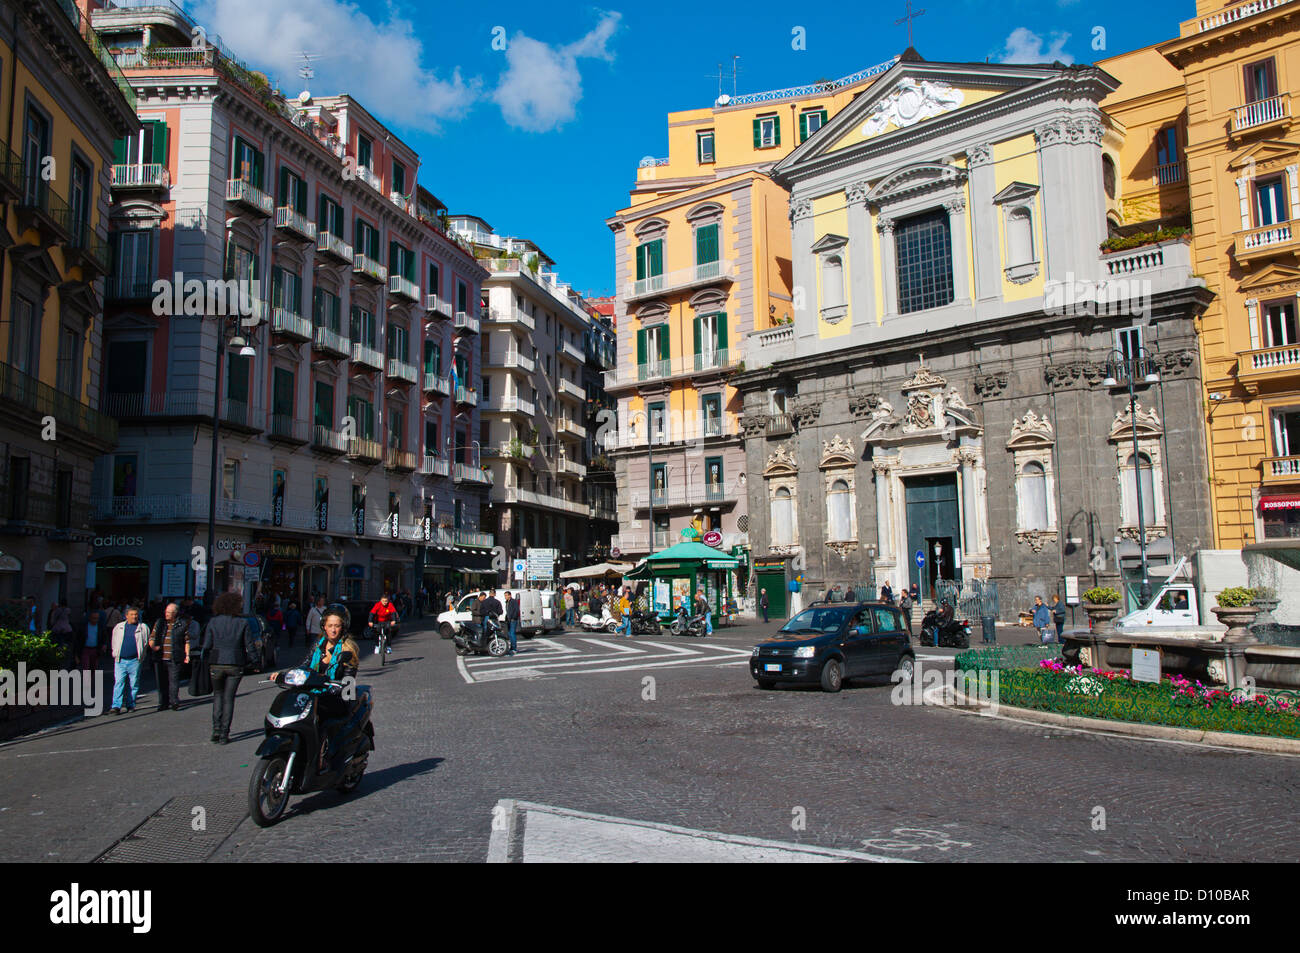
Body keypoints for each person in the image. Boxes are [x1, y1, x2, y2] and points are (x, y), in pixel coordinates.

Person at [273, 607, 359, 772]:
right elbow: (303, 666)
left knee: (317, 718)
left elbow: (349, 681)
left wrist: (335, 686)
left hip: (338, 697)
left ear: (343, 627)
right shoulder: (318, 645)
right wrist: (284, 675)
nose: (333, 629)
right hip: (315, 692)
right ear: (324, 627)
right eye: (330, 625)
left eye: (337, 626)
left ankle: (321, 756)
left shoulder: (348, 649)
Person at [201, 592, 261, 744]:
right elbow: (249, 645)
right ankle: (224, 733)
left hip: (216, 661)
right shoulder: (242, 623)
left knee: (218, 696)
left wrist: (204, 657)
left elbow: (206, 644)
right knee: (229, 698)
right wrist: (255, 662)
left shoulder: (213, 622)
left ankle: (216, 729)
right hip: (235, 662)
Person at [149, 602, 198, 712]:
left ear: (175, 613)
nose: (166, 614)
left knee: (174, 681)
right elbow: (152, 637)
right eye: (166, 612)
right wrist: (153, 646)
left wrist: (187, 655)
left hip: (174, 657)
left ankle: (174, 701)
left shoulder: (182, 624)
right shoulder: (160, 623)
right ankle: (163, 702)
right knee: (161, 682)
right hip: (160, 657)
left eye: (169, 612)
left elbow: (186, 641)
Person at [109, 607, 147, 715]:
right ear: (126, 616)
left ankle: (130, 704)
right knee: (119, 682)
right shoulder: (119, 627)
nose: (134, 616)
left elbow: (145, 643)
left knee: (133, 683)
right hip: (120, 660)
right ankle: (116, 706)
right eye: (132, 614)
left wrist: (141, 657)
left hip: (135, 660)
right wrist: (115, 653)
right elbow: (114, 641)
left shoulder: (143, 628)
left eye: (136, 614)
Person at [503, 591, 520, 655]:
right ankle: (511, 647)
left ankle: (514, 648)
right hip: (509, 620)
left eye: (506, 595)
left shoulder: (513, 601)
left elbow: (516, 610)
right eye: (505, 595)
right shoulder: (507, 602)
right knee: (510, 634)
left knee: (512, 633)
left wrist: (513, 617)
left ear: (510, 595)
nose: (505, 597)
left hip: (513, 620)